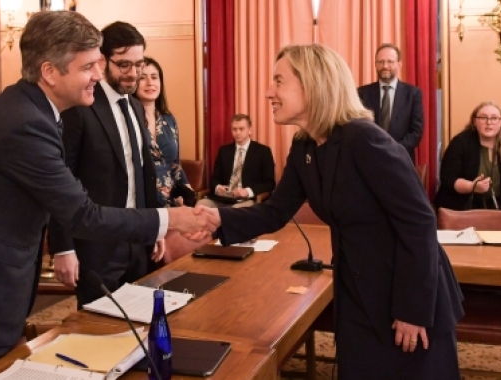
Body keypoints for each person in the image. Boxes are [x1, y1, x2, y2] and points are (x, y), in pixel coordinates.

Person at [0, 12, 211, 380]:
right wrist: (170, 220)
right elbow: (83, 214)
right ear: (50, 72)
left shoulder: (34, 110)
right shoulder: (24, 122)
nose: (98, 75)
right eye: (88, 67)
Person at [192, 44, 464, 379]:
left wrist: (412, 310)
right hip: (357, 295)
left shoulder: (365, 140)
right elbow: (276, 210)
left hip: (406, 297)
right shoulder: (305, 145)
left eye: (279, 81)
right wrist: (217, 219)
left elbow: (420, 223)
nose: (268, 92)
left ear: (313, 84)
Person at [49, 22, 163, 306]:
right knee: (96, 333)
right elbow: (61, 178)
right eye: (124, 65)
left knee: (138, 323)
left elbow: (142, 174)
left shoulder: (136, 107)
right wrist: (63, 247)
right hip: (96, 245)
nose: (133, 73)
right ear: (102, 60)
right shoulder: (81, 107)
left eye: (138, 64)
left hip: (137, 241)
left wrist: (156, 226)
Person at [434, 101, 501, 212]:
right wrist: (472, 187)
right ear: (475, 121)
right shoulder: (461, 142)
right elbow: (448, 178)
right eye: (483, 118)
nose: (489, 123)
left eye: (494, 118)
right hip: (463, 205)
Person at [135, 56, 193, 207]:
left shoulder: (169, 120)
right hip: (141, 202)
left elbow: (175, 165)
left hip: (171, 203)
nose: (150, 83)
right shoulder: (128, 119)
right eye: (143, 78)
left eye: (154, 77)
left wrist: (187, 192)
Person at [357, 43, 423, 162]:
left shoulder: (413, 94)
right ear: (375, 65)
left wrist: (393, 150)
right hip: (370, 160)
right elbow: (358, 128)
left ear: (399, 64)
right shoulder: (362, 93)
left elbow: (416, 132)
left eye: (390, 62)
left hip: (401, 160)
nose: (385, 66)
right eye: (381, 62)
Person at [197, 114, 275, 208]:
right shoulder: (224, 151)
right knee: (201, 205)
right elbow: (214, 178)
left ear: (250, 130)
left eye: (241, 129)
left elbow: (270, 183)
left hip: (246, 199)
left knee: (234, 212)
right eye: (234, 129)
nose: (237, 133)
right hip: (223, 198)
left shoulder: (263, 151)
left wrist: (247, 191)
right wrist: (218, 187)